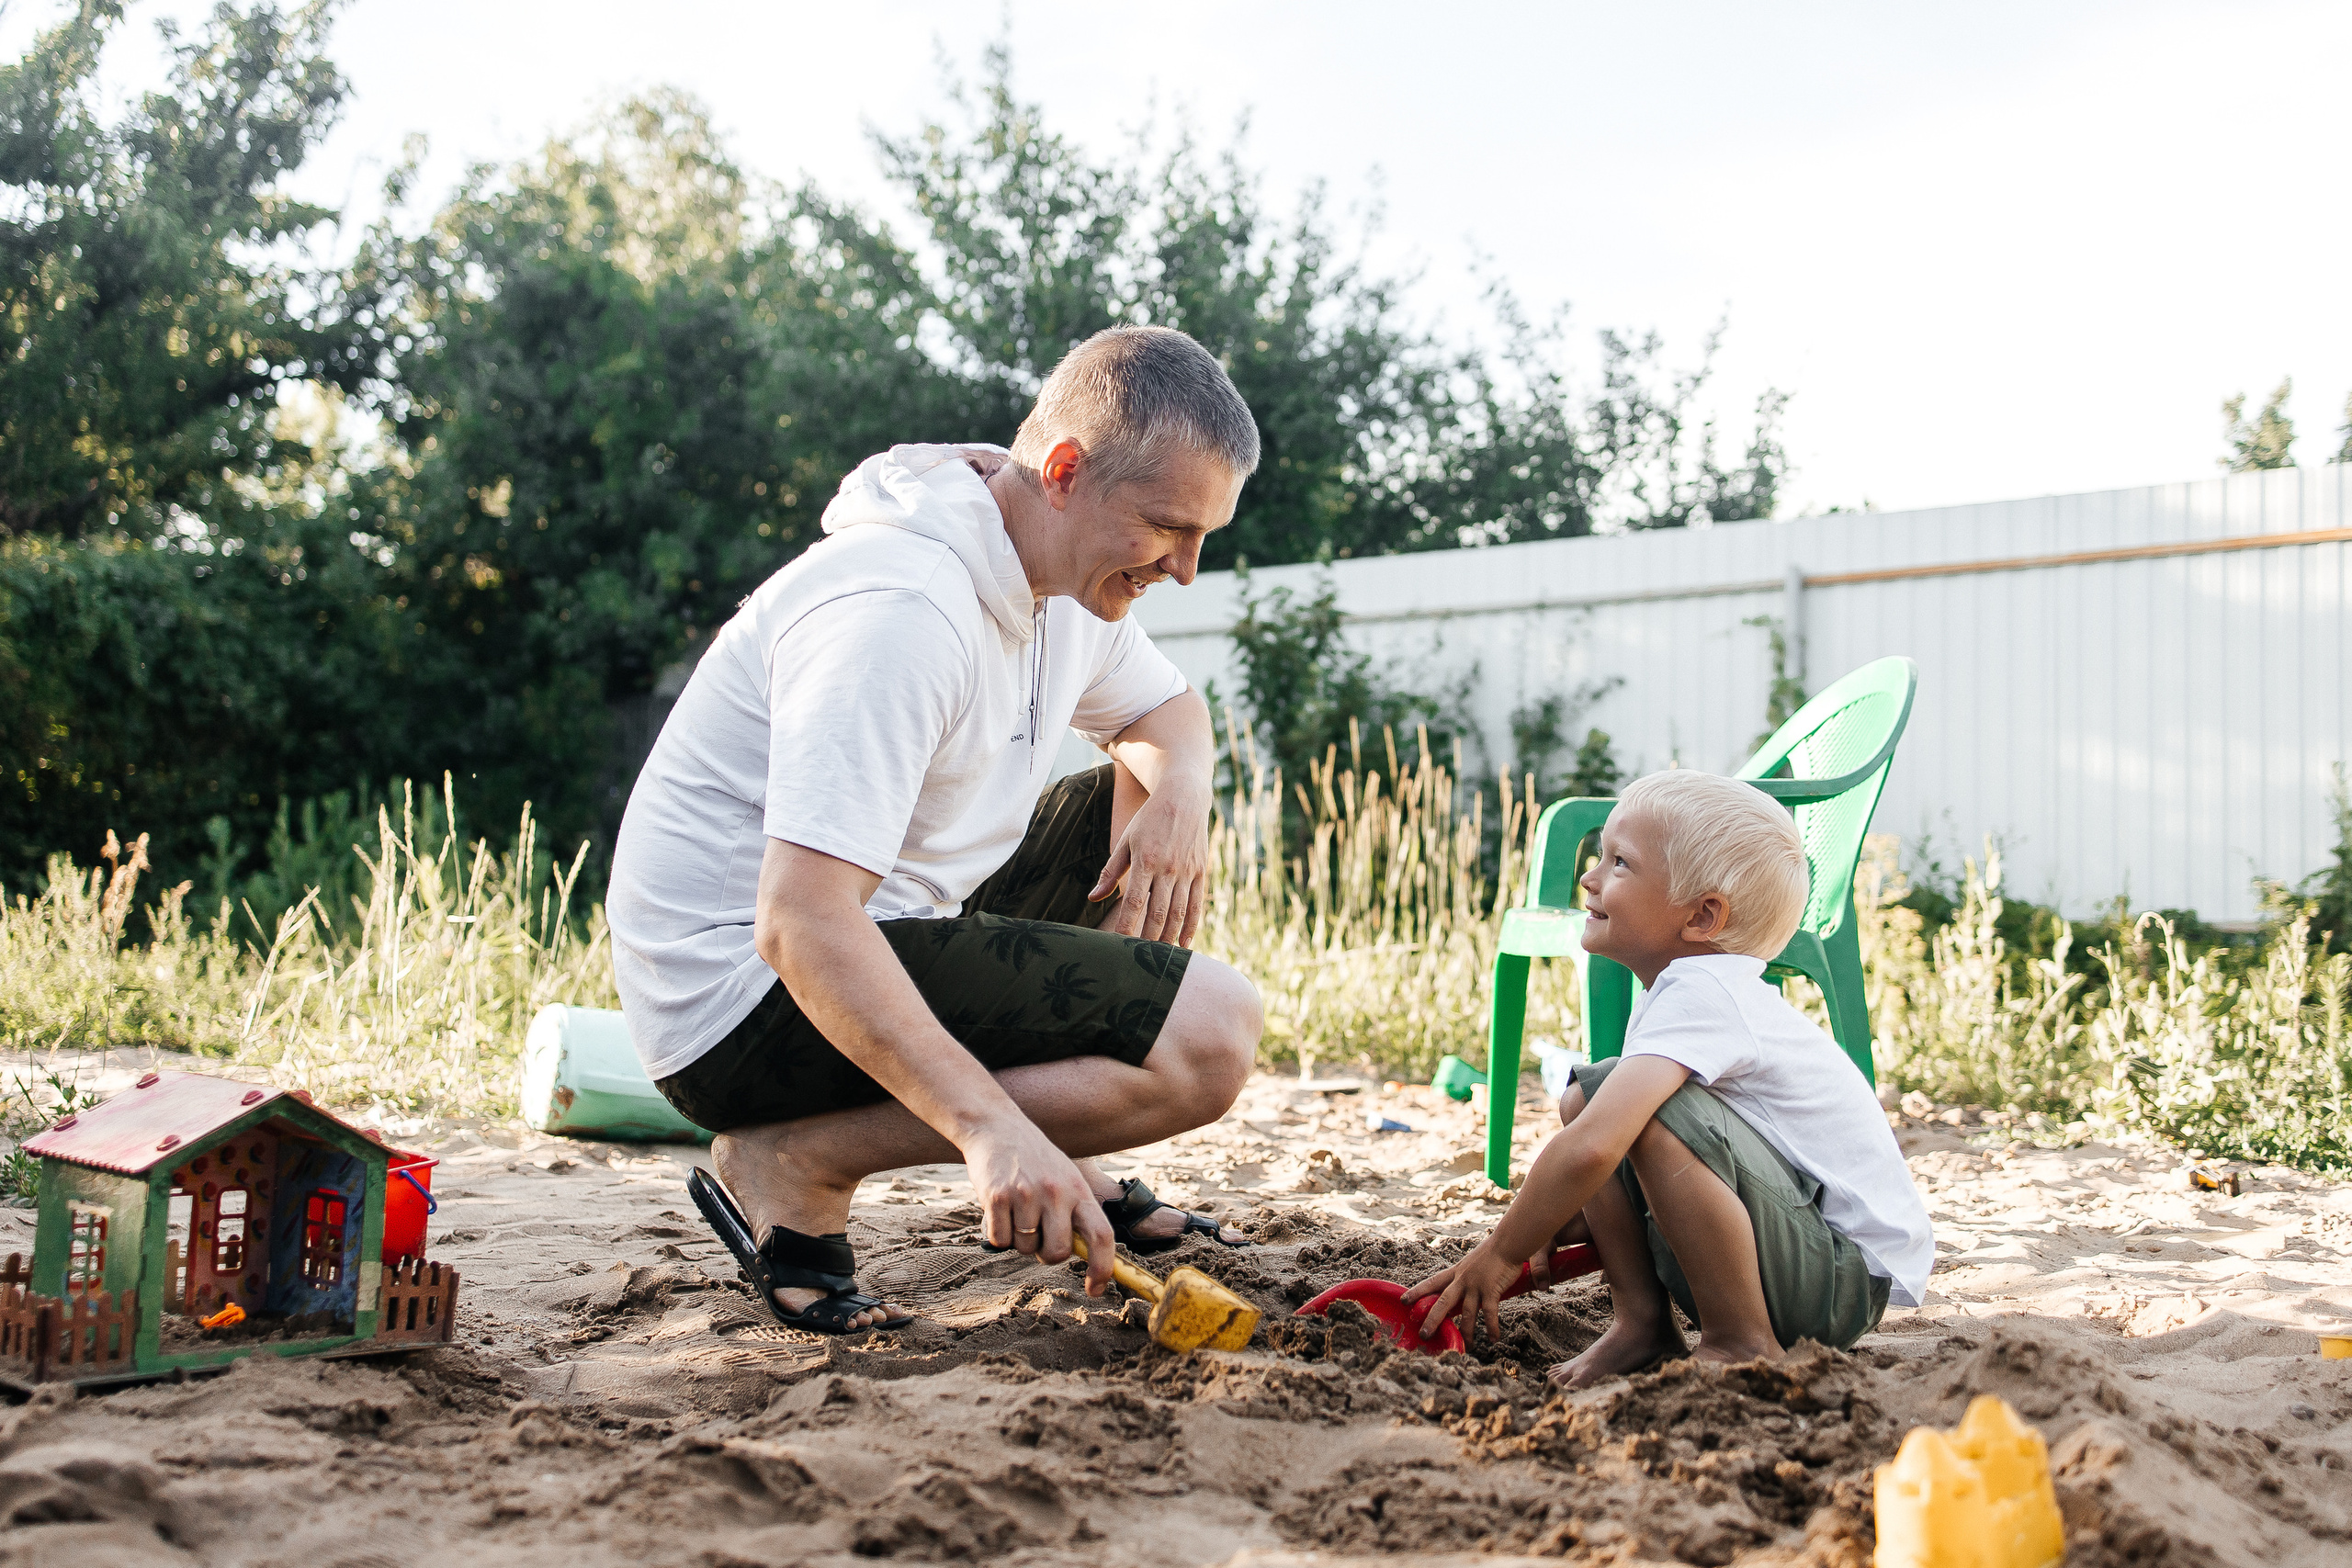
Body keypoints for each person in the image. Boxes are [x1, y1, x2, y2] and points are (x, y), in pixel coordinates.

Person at [608, 326, 1266, 1335]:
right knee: (1211, 1036)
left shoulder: (1059, 575)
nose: (1184, 569)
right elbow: (798, 921)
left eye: (1203, 536)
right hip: (737, 1003)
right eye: (1167, 528)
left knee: (1118, 801)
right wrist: (988, 1130)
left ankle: (1070, 1138)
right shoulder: (900, 610)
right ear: (1061, 472)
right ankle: (797, 1162)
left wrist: (1179, 791)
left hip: (885, 931)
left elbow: (1166, 712)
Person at [1402, 769, 1932, 1386]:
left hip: (1842, 1277)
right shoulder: (1686, 992)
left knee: (1633, 1114)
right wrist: (1550, 1224)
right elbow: (1638, 1169)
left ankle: (1740, 1339)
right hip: (1799, 1250)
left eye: (1620, 864)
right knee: (1591, 1092)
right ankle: (1644, 1325)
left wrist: (1502, 1252)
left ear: (1703, 916)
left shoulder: (1706, 991)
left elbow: (1598, 1147)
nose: (1590, 878)